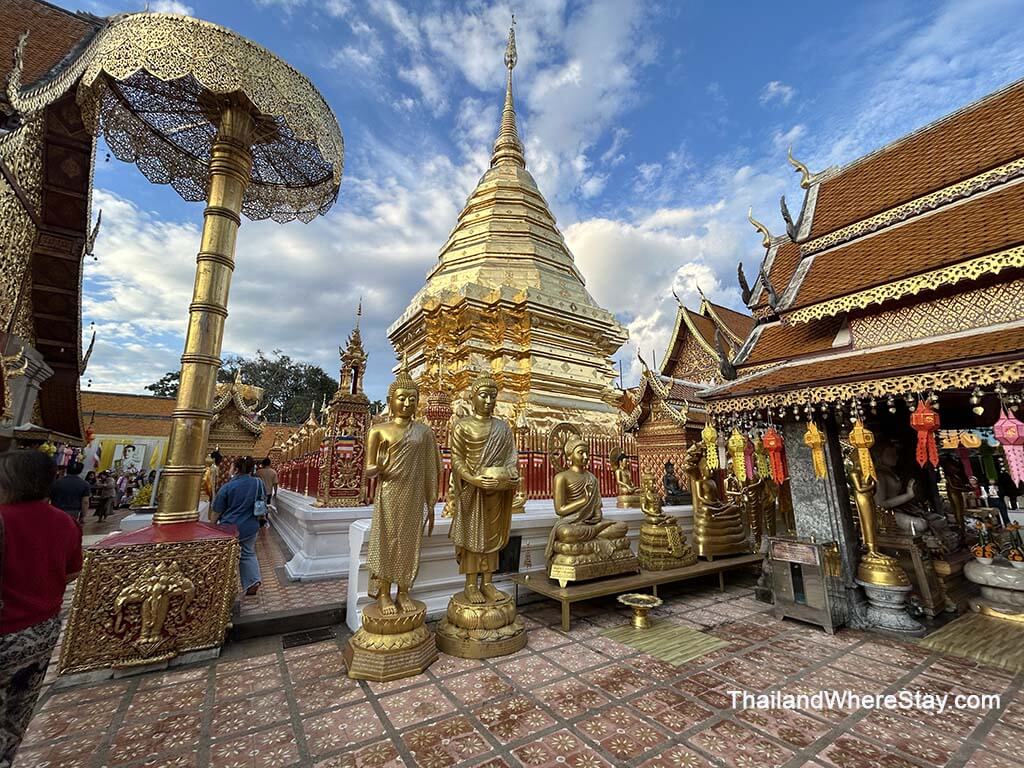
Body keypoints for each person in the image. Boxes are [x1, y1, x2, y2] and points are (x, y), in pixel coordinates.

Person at [0, 450, 83, 766]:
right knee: (18, 712)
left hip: (6, 630)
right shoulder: (65, 523)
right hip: (42, 630)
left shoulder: (4, 518)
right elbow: (73, 572)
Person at [212, 456, 263, 596]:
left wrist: (211, 527)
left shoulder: (228, 486)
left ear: (236, 469)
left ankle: (225, 586)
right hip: (251, 526)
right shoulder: (258, 483)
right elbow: (261, 501)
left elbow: (216, 511)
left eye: (231, 467)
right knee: (248, 553)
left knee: (227, 558)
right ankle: (253, 581)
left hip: (229, 527)